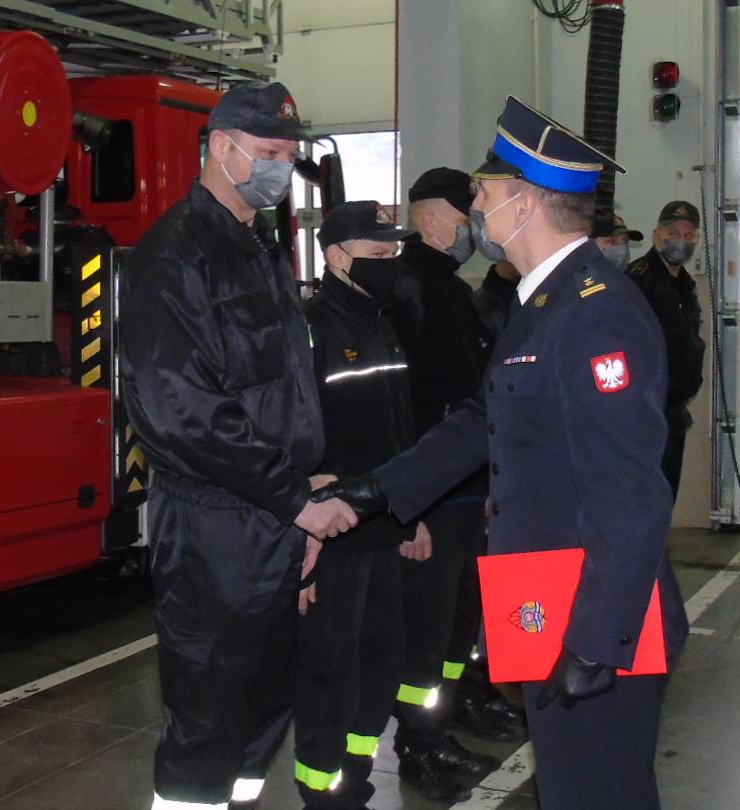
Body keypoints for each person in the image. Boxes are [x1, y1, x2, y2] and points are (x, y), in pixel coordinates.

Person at [315, 97, 688, 810]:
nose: (477, 209)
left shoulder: (598, 312)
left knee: (600, 794)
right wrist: (379, 490)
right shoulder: (543, 302)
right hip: (547, 594)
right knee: (572, 790)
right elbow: (485, 416)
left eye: (485, 193)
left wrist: (595, 640)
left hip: (595, 612)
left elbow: (631, 494)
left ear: (527, 202)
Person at [118, 81, 358, 810]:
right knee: (209, 711)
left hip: (274, 516)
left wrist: (302, 498)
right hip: (213, 527)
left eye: (289, 155)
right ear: (221, 147)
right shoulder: (174, 255)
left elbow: (285, 387)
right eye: (269, 152)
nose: (282, 168)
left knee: (263, 705)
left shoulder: (260, 247)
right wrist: (294, 500)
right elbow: (179, 407)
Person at [383, 168, 514, 802]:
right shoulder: (404, 289)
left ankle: (450, 712)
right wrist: (409, 507)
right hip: (431, 494)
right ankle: (417, 744)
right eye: (465, 220)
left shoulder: (453, 291)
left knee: (461, 619)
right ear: (432, 220)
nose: (472, 231)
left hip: (465, 490)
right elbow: (401, 408)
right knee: (427, 632)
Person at [294, 201, 419, 810]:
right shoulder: (310, 328)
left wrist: (413, 511)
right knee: (330, 670)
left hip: (383, 525)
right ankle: (322, 793)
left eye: (392, 253)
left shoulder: (382, 323)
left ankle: (357, 781)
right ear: (337, 256)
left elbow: (401, 430)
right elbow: (290, 433)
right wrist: (302, 530)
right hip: (333, 531)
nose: (389, 263)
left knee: (380, 663)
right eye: (377, 254)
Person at [625, 201, 708, 501]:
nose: (681, 242)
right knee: (643, 499)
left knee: (664, 497)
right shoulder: (639, 280)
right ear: (656, 235)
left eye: (689, 236)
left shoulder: (684, 284)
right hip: (644, 412)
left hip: (672, 410)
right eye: (673, 233)